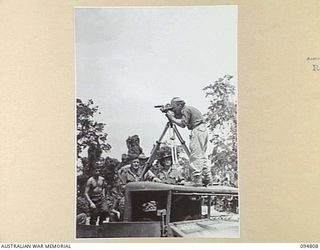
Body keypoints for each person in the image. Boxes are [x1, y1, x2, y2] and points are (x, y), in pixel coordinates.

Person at [166, 97, 213, 186]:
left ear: (180, 105)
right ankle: (208, 178)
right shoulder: (188, 109)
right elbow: (180, 118)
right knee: (201, 156)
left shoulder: (186, 109)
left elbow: (183, 124)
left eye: (174, 107)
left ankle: (196, 181)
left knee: (196, 155)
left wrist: (171, 118)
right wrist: (172, 115)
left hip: (198, 131)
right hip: (202, 130)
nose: (174, 109)